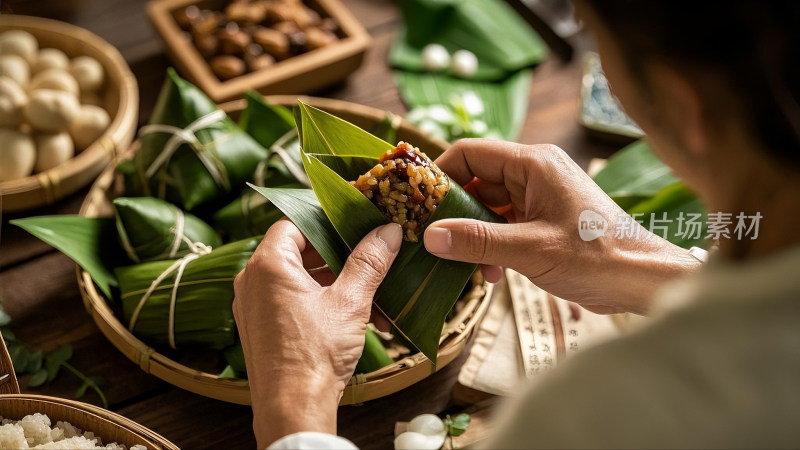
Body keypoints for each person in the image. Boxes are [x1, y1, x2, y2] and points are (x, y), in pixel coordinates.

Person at [233, 1, 800, 448]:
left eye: (596, 42)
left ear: (683, 105)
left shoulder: (604, 416)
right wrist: (639, 265)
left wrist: (293, 400)